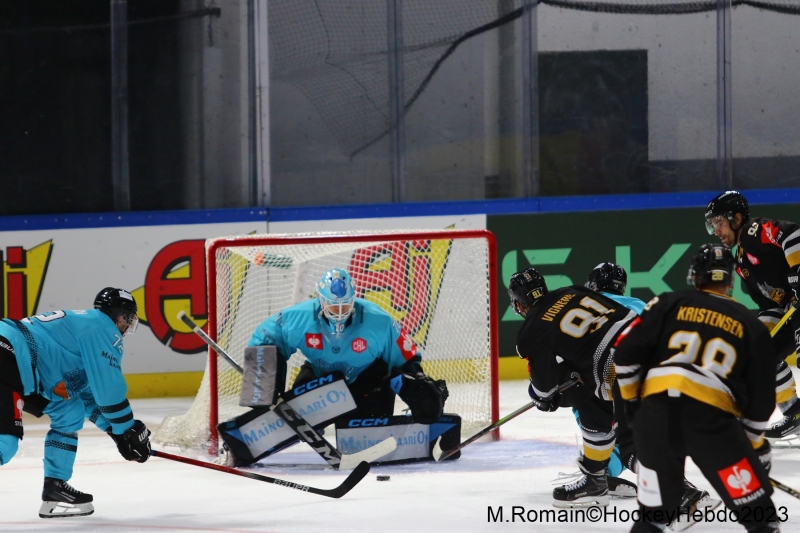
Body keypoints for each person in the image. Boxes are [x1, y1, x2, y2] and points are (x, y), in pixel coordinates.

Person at [613, 243, 780, 532]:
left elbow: (624, 355)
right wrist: (750, 444)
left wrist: (634, 408)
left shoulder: (666, 302)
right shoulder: (751, 325)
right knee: (760, 518)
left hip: (655, 421)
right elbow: (762, 401)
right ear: (730, 282)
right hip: (711, 425)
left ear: (694, 276)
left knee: (653, 518)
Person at [0, 288, 152, 518]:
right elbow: (109, 392)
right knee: (5, 445)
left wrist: (117, 432)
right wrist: (128, 429)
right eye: (127, 321)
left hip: (24, 366)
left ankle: (55, 487)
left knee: (69, 411)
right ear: (121, 317)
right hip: (9, 354)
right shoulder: (103, 329)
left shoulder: (84, 331)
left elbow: (88, 398)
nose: (125, 329)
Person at [247, 268, 448, 425]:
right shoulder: (299, 318)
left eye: (345, 305)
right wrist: (263, 386)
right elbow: (265, 337)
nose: (340, 312)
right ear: (321, 300)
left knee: (428, 406)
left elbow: (405, 356)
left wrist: (420, 385)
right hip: (321, 381)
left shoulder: (378, 320)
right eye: (334, 306)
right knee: (266, 394)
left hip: (368, 382)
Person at [509, 267, 639, 507]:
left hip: (622, 363)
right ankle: (595, 478)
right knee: (597, 404)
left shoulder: (531, 331)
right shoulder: (571, 291)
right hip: (651, 341)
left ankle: (679, 491)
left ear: (518, 303)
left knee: (629, 441)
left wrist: (541, 397)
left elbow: (544, 390)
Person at [705, 190, 800, 440]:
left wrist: (798, 273)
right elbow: (771, 305)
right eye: (713, 225)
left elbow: (794, 234)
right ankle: (795, 412)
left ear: (736, 219)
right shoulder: (742, 259)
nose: (716, 230)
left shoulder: (754, 230)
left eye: (719, 222)